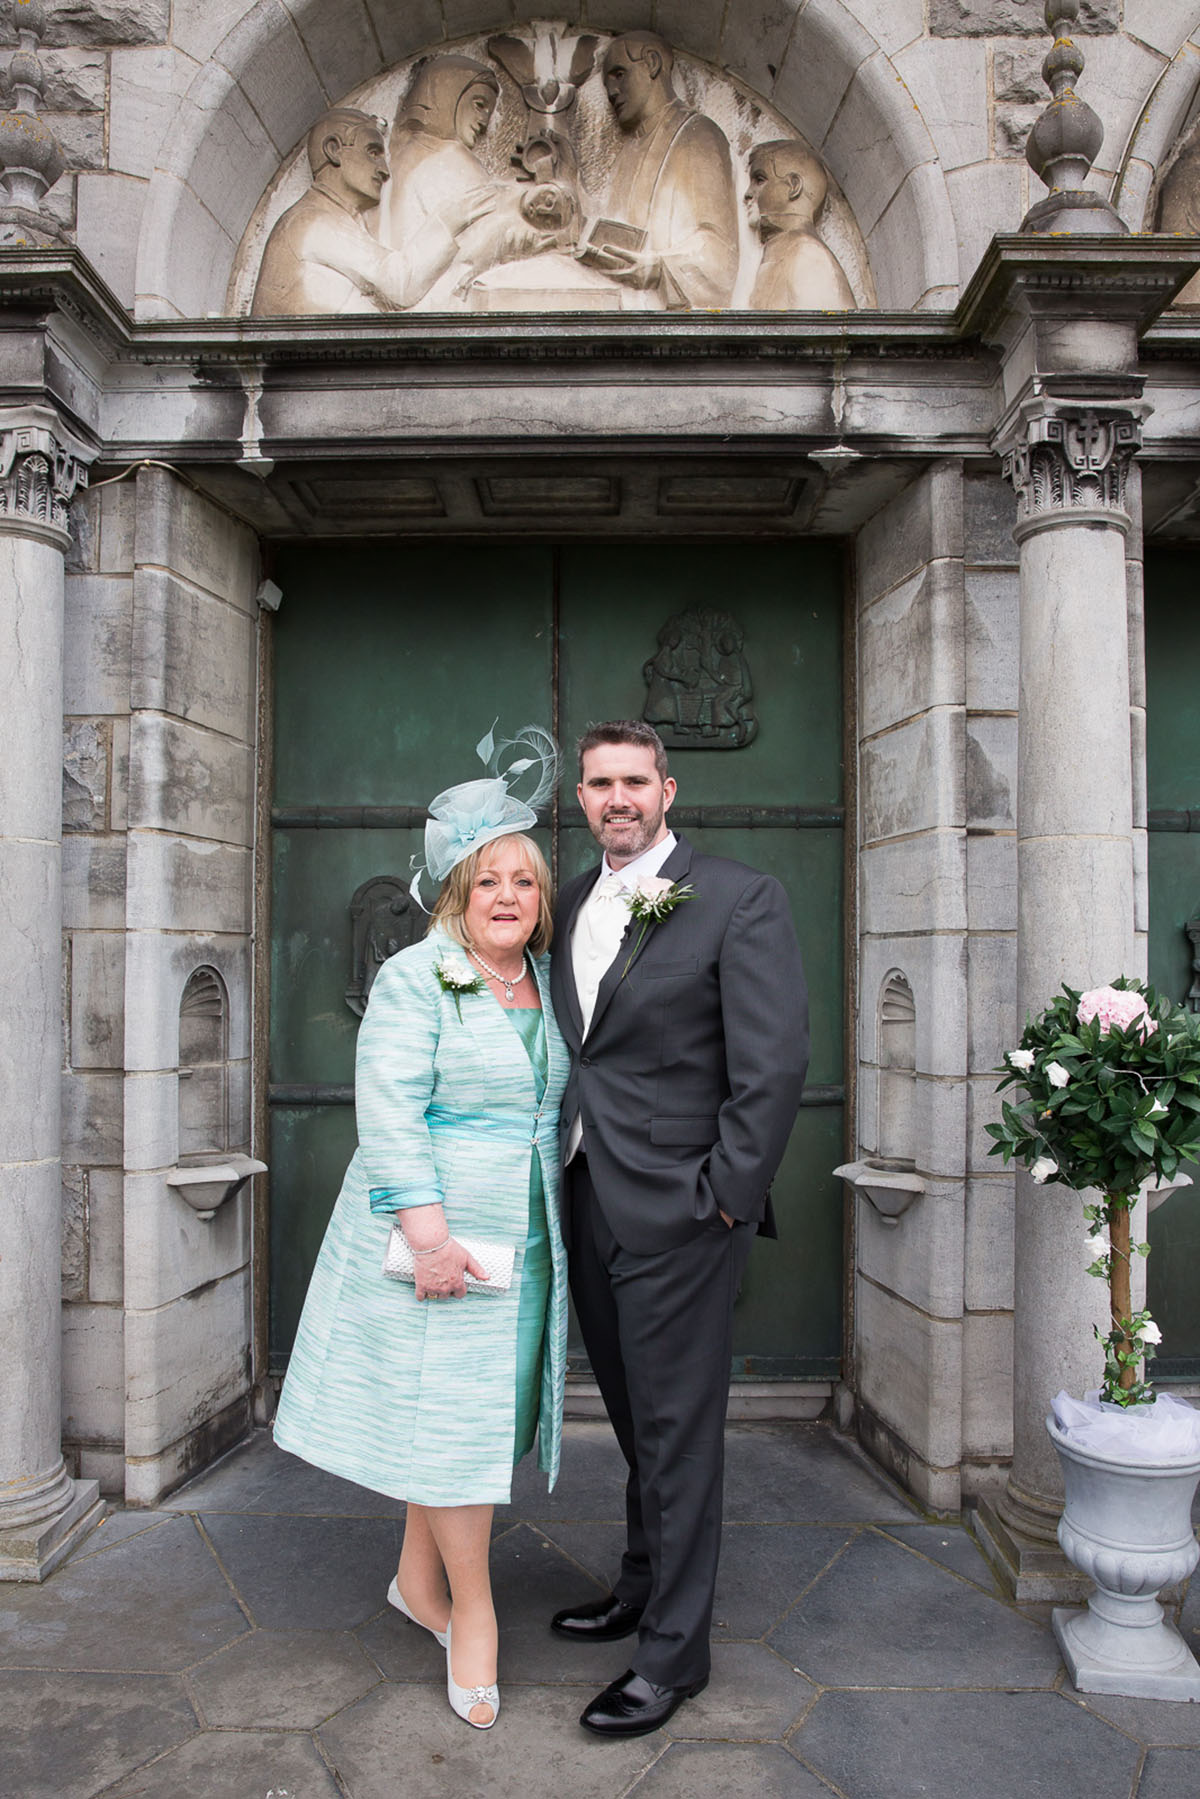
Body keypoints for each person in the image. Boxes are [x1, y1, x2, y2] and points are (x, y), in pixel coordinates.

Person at [273, 728, 567, 1732]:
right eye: (487, 882)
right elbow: (390, 1114)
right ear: (454, 893)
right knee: (454, 1426)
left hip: (520, 1240)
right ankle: (472, 1615)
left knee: (469, 1416)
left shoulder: (542, 986)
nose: (506, 898)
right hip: (436, 1243)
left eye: (522, 882)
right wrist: (434, 1238)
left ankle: (415, 1581)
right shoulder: (416, 980)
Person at [549, 719, 808, 1737]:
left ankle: (673, 1655)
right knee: (631, 1413)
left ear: (669, 789)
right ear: (581, 798)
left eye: (634, 781)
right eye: (600, 782)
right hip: (586, 1195)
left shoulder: (740, 897)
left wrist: (726, 1196)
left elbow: (773, 1063)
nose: (617, 797)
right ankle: (640, 1581)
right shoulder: (567, 900)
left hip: (687, 1213)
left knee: (682, 1430)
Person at [251, 107, 492, 316]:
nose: (385, 171)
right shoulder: (309, 221)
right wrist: (452, 217)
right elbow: (399, 283)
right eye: (373, 153)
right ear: (333, 150)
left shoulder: (337, 219)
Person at [588, 31, 739, 310]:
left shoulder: (696, 135)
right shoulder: (629, 150)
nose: (611, 92)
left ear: (652, 63)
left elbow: (720, 252)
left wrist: (657, 269)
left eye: (619, 74)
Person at [744, 139, 856, 311]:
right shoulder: (786, 249)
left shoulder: (808, 255)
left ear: (793, 186)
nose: (748, 194)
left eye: (759, 180)